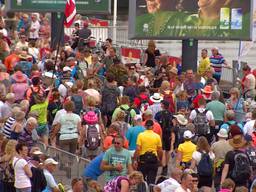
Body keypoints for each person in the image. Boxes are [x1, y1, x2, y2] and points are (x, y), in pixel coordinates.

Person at [134, 119, 162, 184]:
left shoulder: (141, 135)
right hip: (153, 159)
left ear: (145, 126)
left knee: (140, 181)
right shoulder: (157, 136)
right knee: (151, 181)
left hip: (143, 160)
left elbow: (138, 149)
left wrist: (135, 159)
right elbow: (160, 150)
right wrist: (159, 159)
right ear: (153, 127)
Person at [155, 100, 174, 176]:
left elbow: (156, 124)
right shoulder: (170, 114)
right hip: (168, 134)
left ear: (162, 105)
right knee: (167, 151)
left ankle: (161, 164)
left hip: (160, 133)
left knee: (161, 150)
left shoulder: (158, 114)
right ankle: (165, 167)